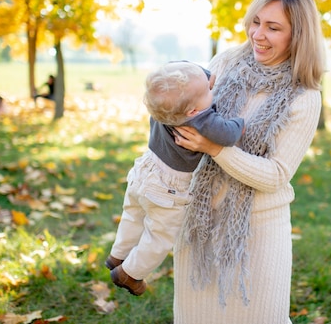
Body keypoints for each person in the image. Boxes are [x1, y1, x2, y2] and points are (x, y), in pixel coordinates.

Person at [171, 0, 325, 323]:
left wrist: (215, 148)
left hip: (259, 228)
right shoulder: (226, 62)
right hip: (200, 218)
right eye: (255, 22)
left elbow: (276, 175)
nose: (258, 34)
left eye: (273, 28)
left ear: (298, 35)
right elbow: (188, 109)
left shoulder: (304, 96)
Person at [105, 61, 245, 296]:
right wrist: (240, 125)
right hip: (168, 187)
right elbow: (229, 134)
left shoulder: (163, 108)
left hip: (144, 170)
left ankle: (117, 254)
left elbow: (187, 80)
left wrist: (203, 81)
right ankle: (130, 273)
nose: (212, 90)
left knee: (133, 214)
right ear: (192, 110)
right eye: (208, 91)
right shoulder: (201, 120)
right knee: (158, 236)